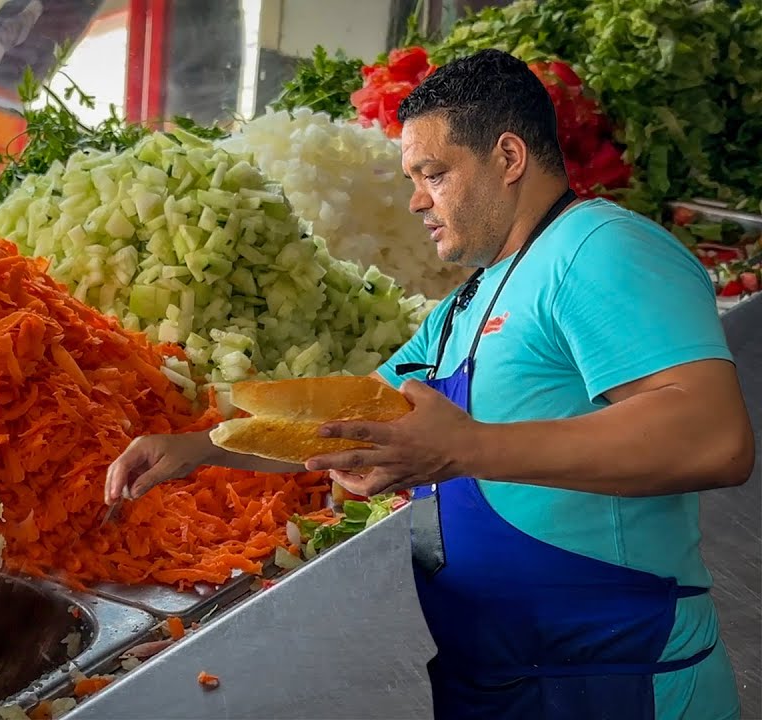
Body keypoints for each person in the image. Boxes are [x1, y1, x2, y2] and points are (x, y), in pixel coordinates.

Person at [103, 49, 754, 720]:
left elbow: (714, 438)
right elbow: (354, 417)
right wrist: (201, 446)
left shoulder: (599, 248)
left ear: (508, 157)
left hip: (621, 680)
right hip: (502, 680)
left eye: (434, 173)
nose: (416, 199)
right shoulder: (465, 306)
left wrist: (463, 449)